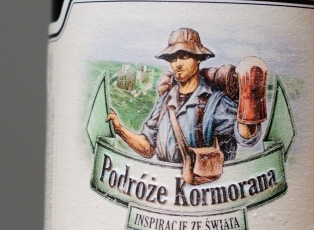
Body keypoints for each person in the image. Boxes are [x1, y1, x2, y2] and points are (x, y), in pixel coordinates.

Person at [106, 28, 262, 163]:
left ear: (198, 59)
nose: (178, 64)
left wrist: (250, 100)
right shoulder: (165, 101)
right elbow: (148, 148)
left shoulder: (216, 102)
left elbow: (247, 137)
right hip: (163, 182)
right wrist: (119, 129)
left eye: (185, 56)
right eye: (173, 58)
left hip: (206, 186)